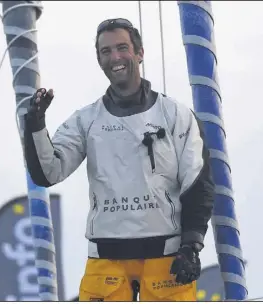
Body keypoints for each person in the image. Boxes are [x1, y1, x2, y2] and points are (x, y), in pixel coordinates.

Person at [24, 18, 214, 301]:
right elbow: (48, 173)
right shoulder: (86, 121)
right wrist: (36, 124)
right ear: (99, 60)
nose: (115, 57)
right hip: (106, 259)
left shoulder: (176, 114)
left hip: (167, 258)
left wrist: (191, 246)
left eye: (122, 48)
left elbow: (197, 183)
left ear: (139, 53)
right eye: (106, 51)